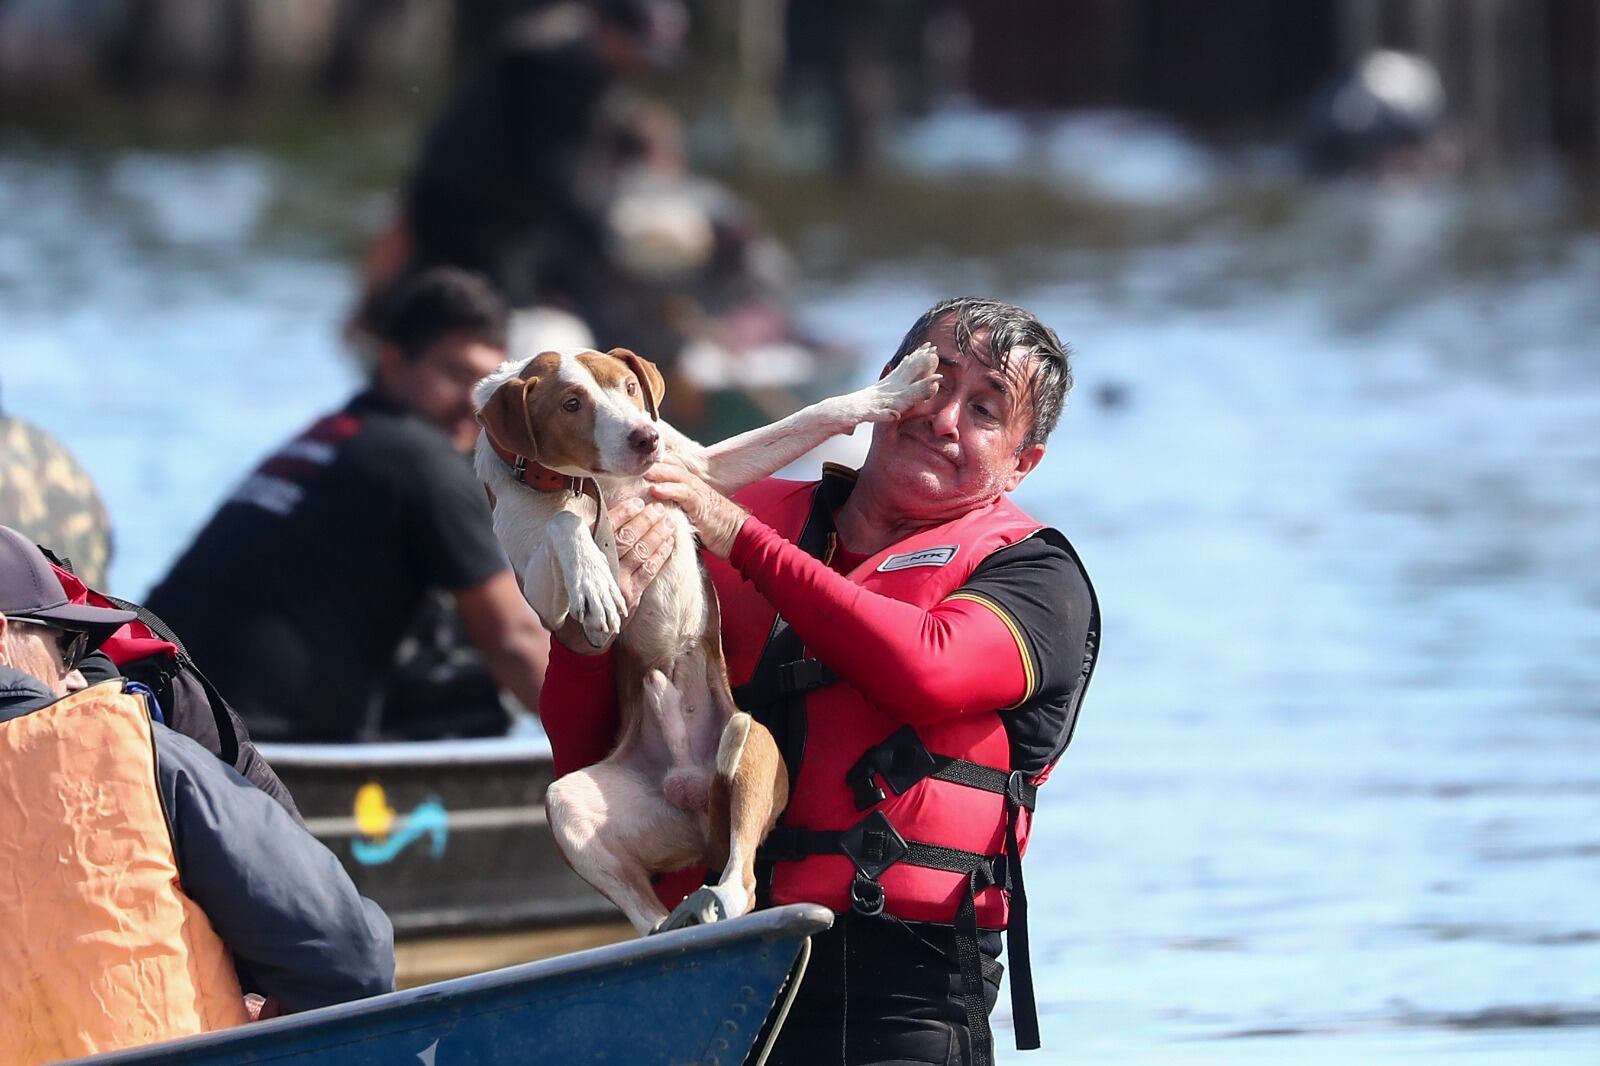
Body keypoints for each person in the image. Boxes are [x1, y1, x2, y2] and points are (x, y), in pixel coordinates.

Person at [540, 297, 1101, 1065]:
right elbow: (584, 748)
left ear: (1020, 463)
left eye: (985, 410)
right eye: (936, 384)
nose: (944, 419)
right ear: (888, 385)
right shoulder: (722, 512)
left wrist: (737, 534)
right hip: (711, 977)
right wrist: (583, 634)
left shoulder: (1038, 578)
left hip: (903, 990)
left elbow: (925, 670)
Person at [0, 525, 394, 1063]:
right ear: (2, 637)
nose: (75, 675)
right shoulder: (130, 746)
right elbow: (352, 959)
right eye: (65, 645)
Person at [148, 268, 549, 741]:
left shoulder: (337, 434)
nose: (474, 405)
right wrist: (618, 749)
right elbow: (514, 641)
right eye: (455, 374)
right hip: (252, 752)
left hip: (159, 714)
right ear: (392, 361)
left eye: (488, 384)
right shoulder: (423, 460)